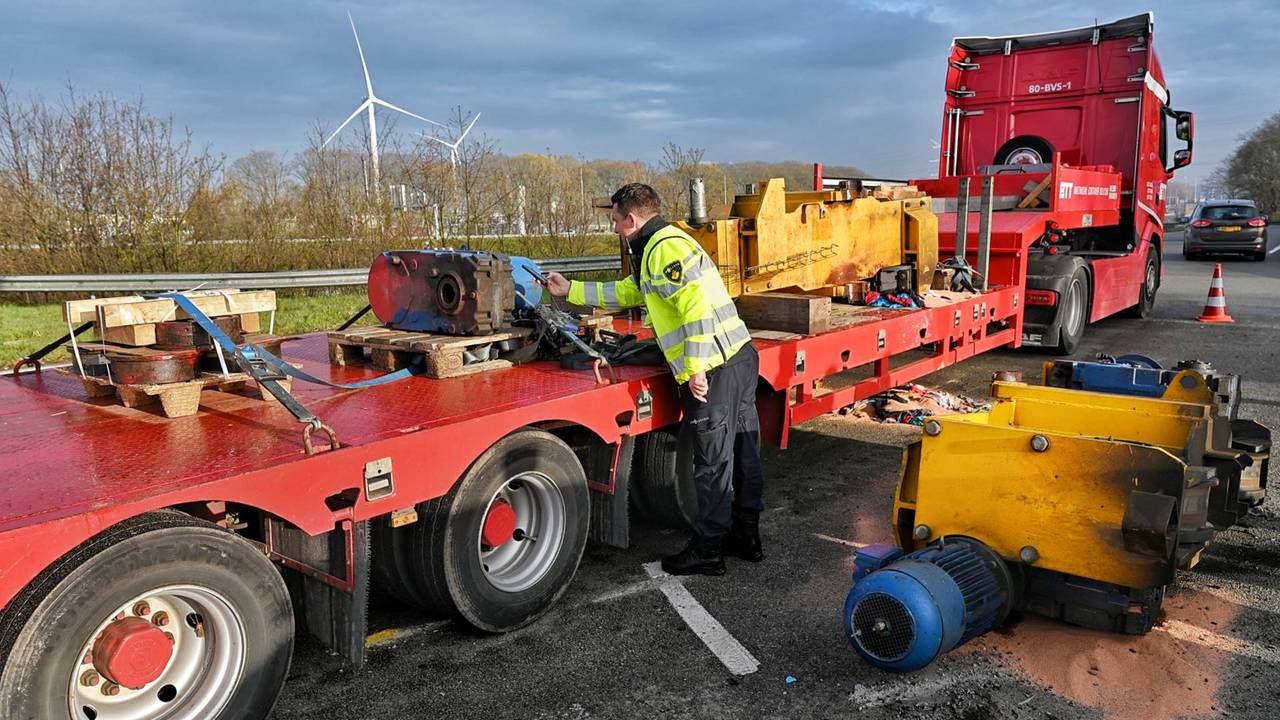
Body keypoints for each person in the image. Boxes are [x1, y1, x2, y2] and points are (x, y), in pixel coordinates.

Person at [545, 182, 765, 576]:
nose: (613, 228)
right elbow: (631, 291)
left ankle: (709, 549)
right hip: (738, 357)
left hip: (714, 367)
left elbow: (694, 306)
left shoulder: (663, 248)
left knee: (712, 462)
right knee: (742, 450)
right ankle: (746, 536)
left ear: (630, 219)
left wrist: (696, 366)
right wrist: (571, 288)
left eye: (615, 220)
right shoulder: (663, 245)